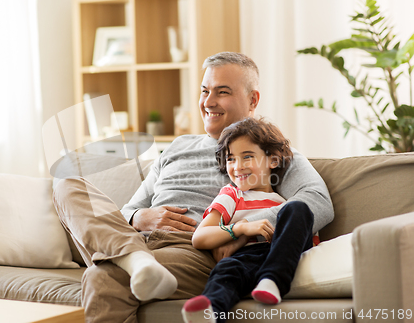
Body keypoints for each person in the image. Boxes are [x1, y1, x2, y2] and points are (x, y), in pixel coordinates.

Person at [53, 52, 334, 323]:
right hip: (135, 240)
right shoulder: (178, 146)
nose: (208, 102)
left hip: (191, 251)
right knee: (67, 184)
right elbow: (129, 208)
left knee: (102, 276)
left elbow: (316, 201)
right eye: (204, 91)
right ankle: (135, 260)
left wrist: (239, 233)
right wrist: (138, 217)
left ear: (252, 100)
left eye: (222, 92)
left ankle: (132, 262)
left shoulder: (266, 153)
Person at [181, 117, 315, 323]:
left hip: (281, 253)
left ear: (273, 160)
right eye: (231, 158)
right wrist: (241, 229)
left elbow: (304, 236)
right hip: (245, 257)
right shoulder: (232, 194)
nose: (238, 166)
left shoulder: (284, 202)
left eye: (247, 156)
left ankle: (272, 281)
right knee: (226, 271)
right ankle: (210, 313)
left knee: (298, 208)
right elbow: (200, 237)